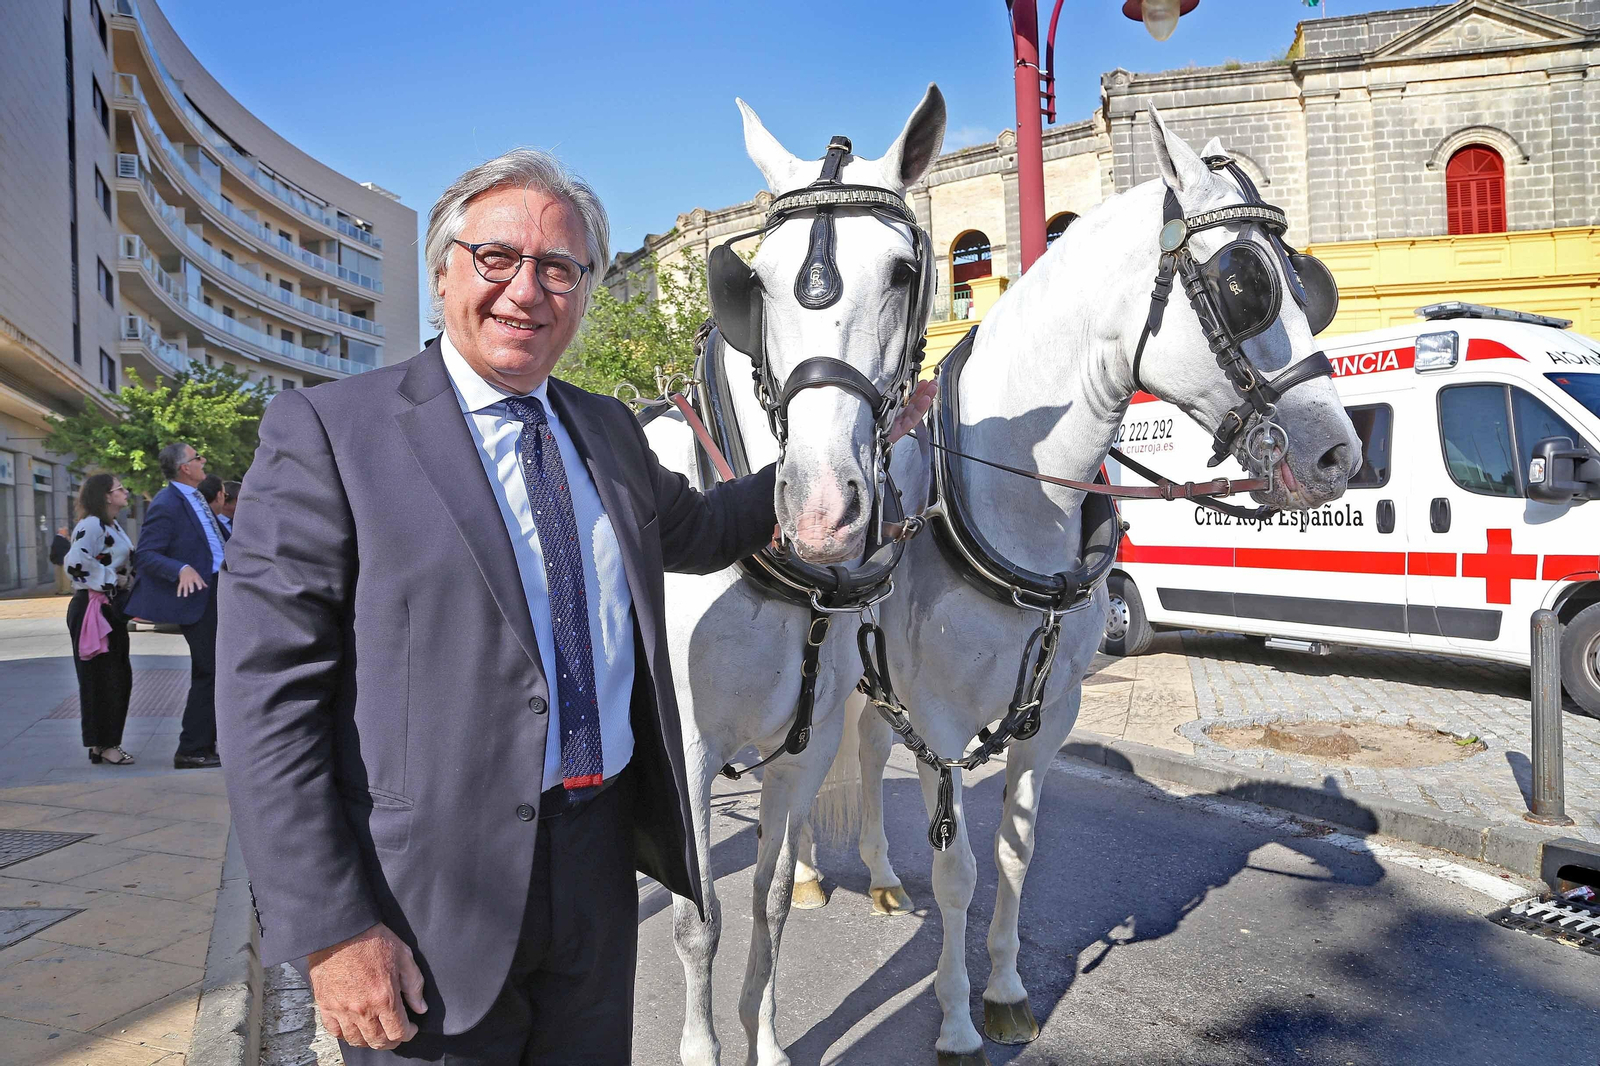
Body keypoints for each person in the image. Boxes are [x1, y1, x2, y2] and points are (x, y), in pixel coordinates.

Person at [216, 148, 930, 1064]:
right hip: (425, 896)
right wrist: (330, 928)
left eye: (558, 268)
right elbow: (265, 705)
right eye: (496, 259)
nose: (526, 291)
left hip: (595, 867)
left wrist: (830, 455)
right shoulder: (329, 432)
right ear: (443, 272)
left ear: (584, 290)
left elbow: (704, 532)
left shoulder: (605, 429)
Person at [126, 441, 229, 769]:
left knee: (216, 672)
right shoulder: (167, 502)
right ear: (185, 467)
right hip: (197, 598)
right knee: (209, 671)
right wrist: (180, 568)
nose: (204, 460)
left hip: (216, 593)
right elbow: (146, 554)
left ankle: (207, 745)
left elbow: (214, 545)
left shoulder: (195, 497)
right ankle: (191, 749)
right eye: (198, 457)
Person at [63, 473, 135, 766]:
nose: (126, 492)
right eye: (120, 489)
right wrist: (112, 580)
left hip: (108, 609)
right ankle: (105, 744)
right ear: (106, 495)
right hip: (93, 609)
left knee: (115, 677)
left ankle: (103, 742)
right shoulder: (91, 525)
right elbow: (74, 563)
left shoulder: (112, 525)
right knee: (103, 679)